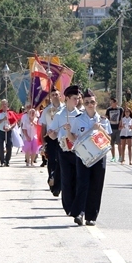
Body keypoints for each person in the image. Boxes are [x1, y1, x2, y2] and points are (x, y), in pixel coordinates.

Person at [65, 89, 112, 225]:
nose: (90, 105)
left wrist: (101, 129)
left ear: (96, 103)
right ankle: (79, 213)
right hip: (83, 156)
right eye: (86, 103)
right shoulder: (78, 119)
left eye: (92, 102)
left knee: (96, 185)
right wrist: (67, 130)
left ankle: (91, 216)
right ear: (83, 104)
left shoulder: (103, 120)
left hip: (99, 155)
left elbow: (109, 140)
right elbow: (72, 139)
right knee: (82, 183)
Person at [49, 85, 82, 215]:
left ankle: (76, 205)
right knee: (66, 179)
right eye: (74, 98)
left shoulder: (80, 115)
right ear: (67, 98)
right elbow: (53, 135)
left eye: (78, 98)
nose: (77, 101)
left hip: (77, 151)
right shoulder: (59, 115)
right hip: (64, 151)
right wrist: (51, 133)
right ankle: (68, 207)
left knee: (78, 179)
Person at [40, 89, 63, 196]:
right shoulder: (46, 110)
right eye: (53, 95)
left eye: (56, 94)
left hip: (62, 138)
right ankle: (52, 180)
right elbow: (43, 126)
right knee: (52, 160)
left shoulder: (64, 109)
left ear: (60, 96)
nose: (55, 96)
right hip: (50, 138)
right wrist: (43, 141)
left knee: (61, 161)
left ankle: (58, 185)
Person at [0, 99, 19, 167]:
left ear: (7, 105)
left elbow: (14, 123)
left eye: (5, 104)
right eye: (2, 104)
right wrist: (3, 119)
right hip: (0, 131)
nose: (4, 105)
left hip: (8, 131)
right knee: (0, 147)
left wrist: (10, 128)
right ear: (1, 105)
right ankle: (2, 161)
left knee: (9, 146)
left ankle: (7, 160)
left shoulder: (10, 113)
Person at [105, 98, 124, 162]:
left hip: (118, 128)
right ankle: (113, 157)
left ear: (115, 103)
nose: (111, 104)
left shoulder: (120, 109)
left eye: (112, 102)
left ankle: (120, 156)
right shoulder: (109, 109)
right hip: (111, 128)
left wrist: (121, 125)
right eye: (110, 103)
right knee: (112, 143)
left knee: (119, 143)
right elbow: (106, 118)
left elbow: (122, 118)